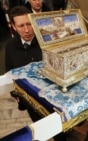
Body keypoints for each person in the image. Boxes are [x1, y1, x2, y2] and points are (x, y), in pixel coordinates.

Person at [5, 6, 66, 141]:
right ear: (13, 27)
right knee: (40, 126)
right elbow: (10, 72)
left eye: (29, 24)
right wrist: (15, 94)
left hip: (52, 98)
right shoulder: (10, 46)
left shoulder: (46, 41)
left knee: (59, 131)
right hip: (29, 101)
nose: (26, 30)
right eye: (21, 26)